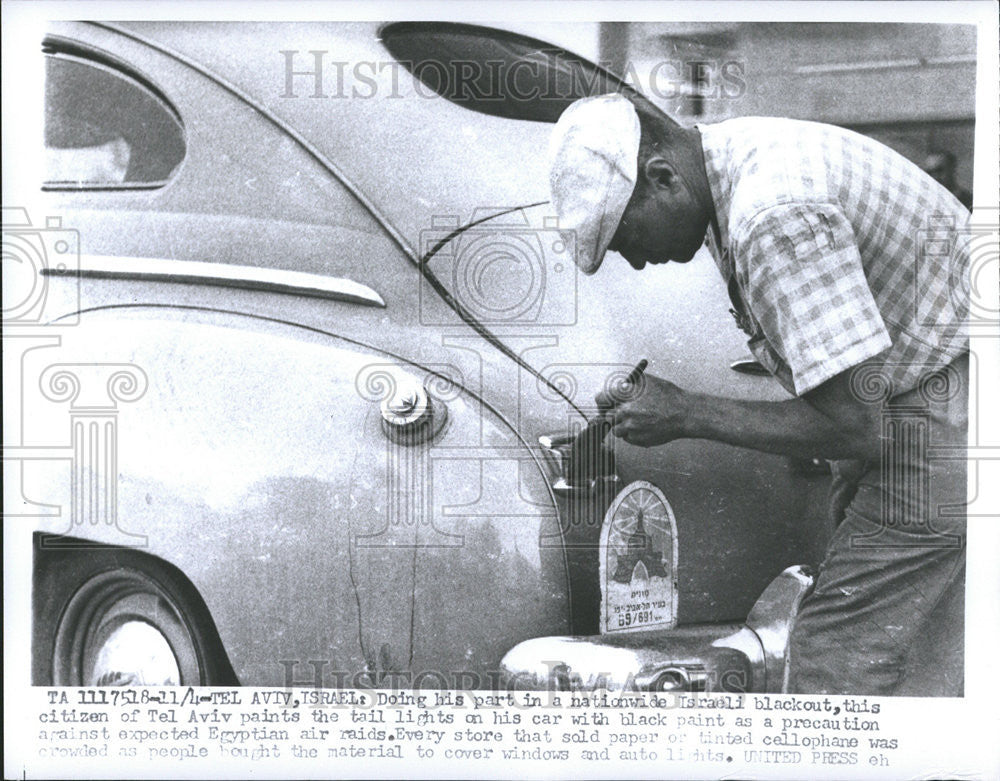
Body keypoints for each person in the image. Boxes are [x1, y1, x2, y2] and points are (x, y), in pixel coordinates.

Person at [548, 93, 969, 696]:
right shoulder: (730, 162)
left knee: (836, 654)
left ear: (661, 177)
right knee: (913, 645)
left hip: (946, 411)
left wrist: (687, 412)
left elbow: (857, 427)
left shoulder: (769, 212)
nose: (636, 262)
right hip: (928, 392)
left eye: (626, 237)